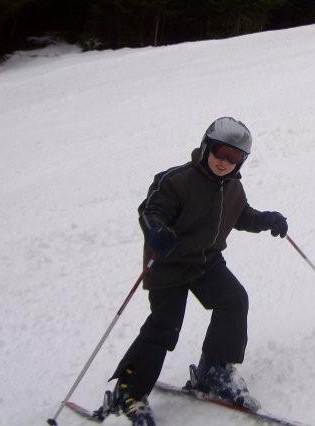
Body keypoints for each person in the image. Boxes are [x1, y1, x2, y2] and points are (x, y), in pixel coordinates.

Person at [106, 117, 288, 426]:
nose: (224, 161)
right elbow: (150, 211)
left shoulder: (232, 187)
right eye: (219, 152)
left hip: (205, 261)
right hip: (168, 263)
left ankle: (214, 371)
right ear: (206, 147)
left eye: (234, 157)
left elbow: (241, 215)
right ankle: (129, 392)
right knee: (165, 325)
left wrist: (266, 220)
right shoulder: (177, 180)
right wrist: (156, 231)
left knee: (233, 300)